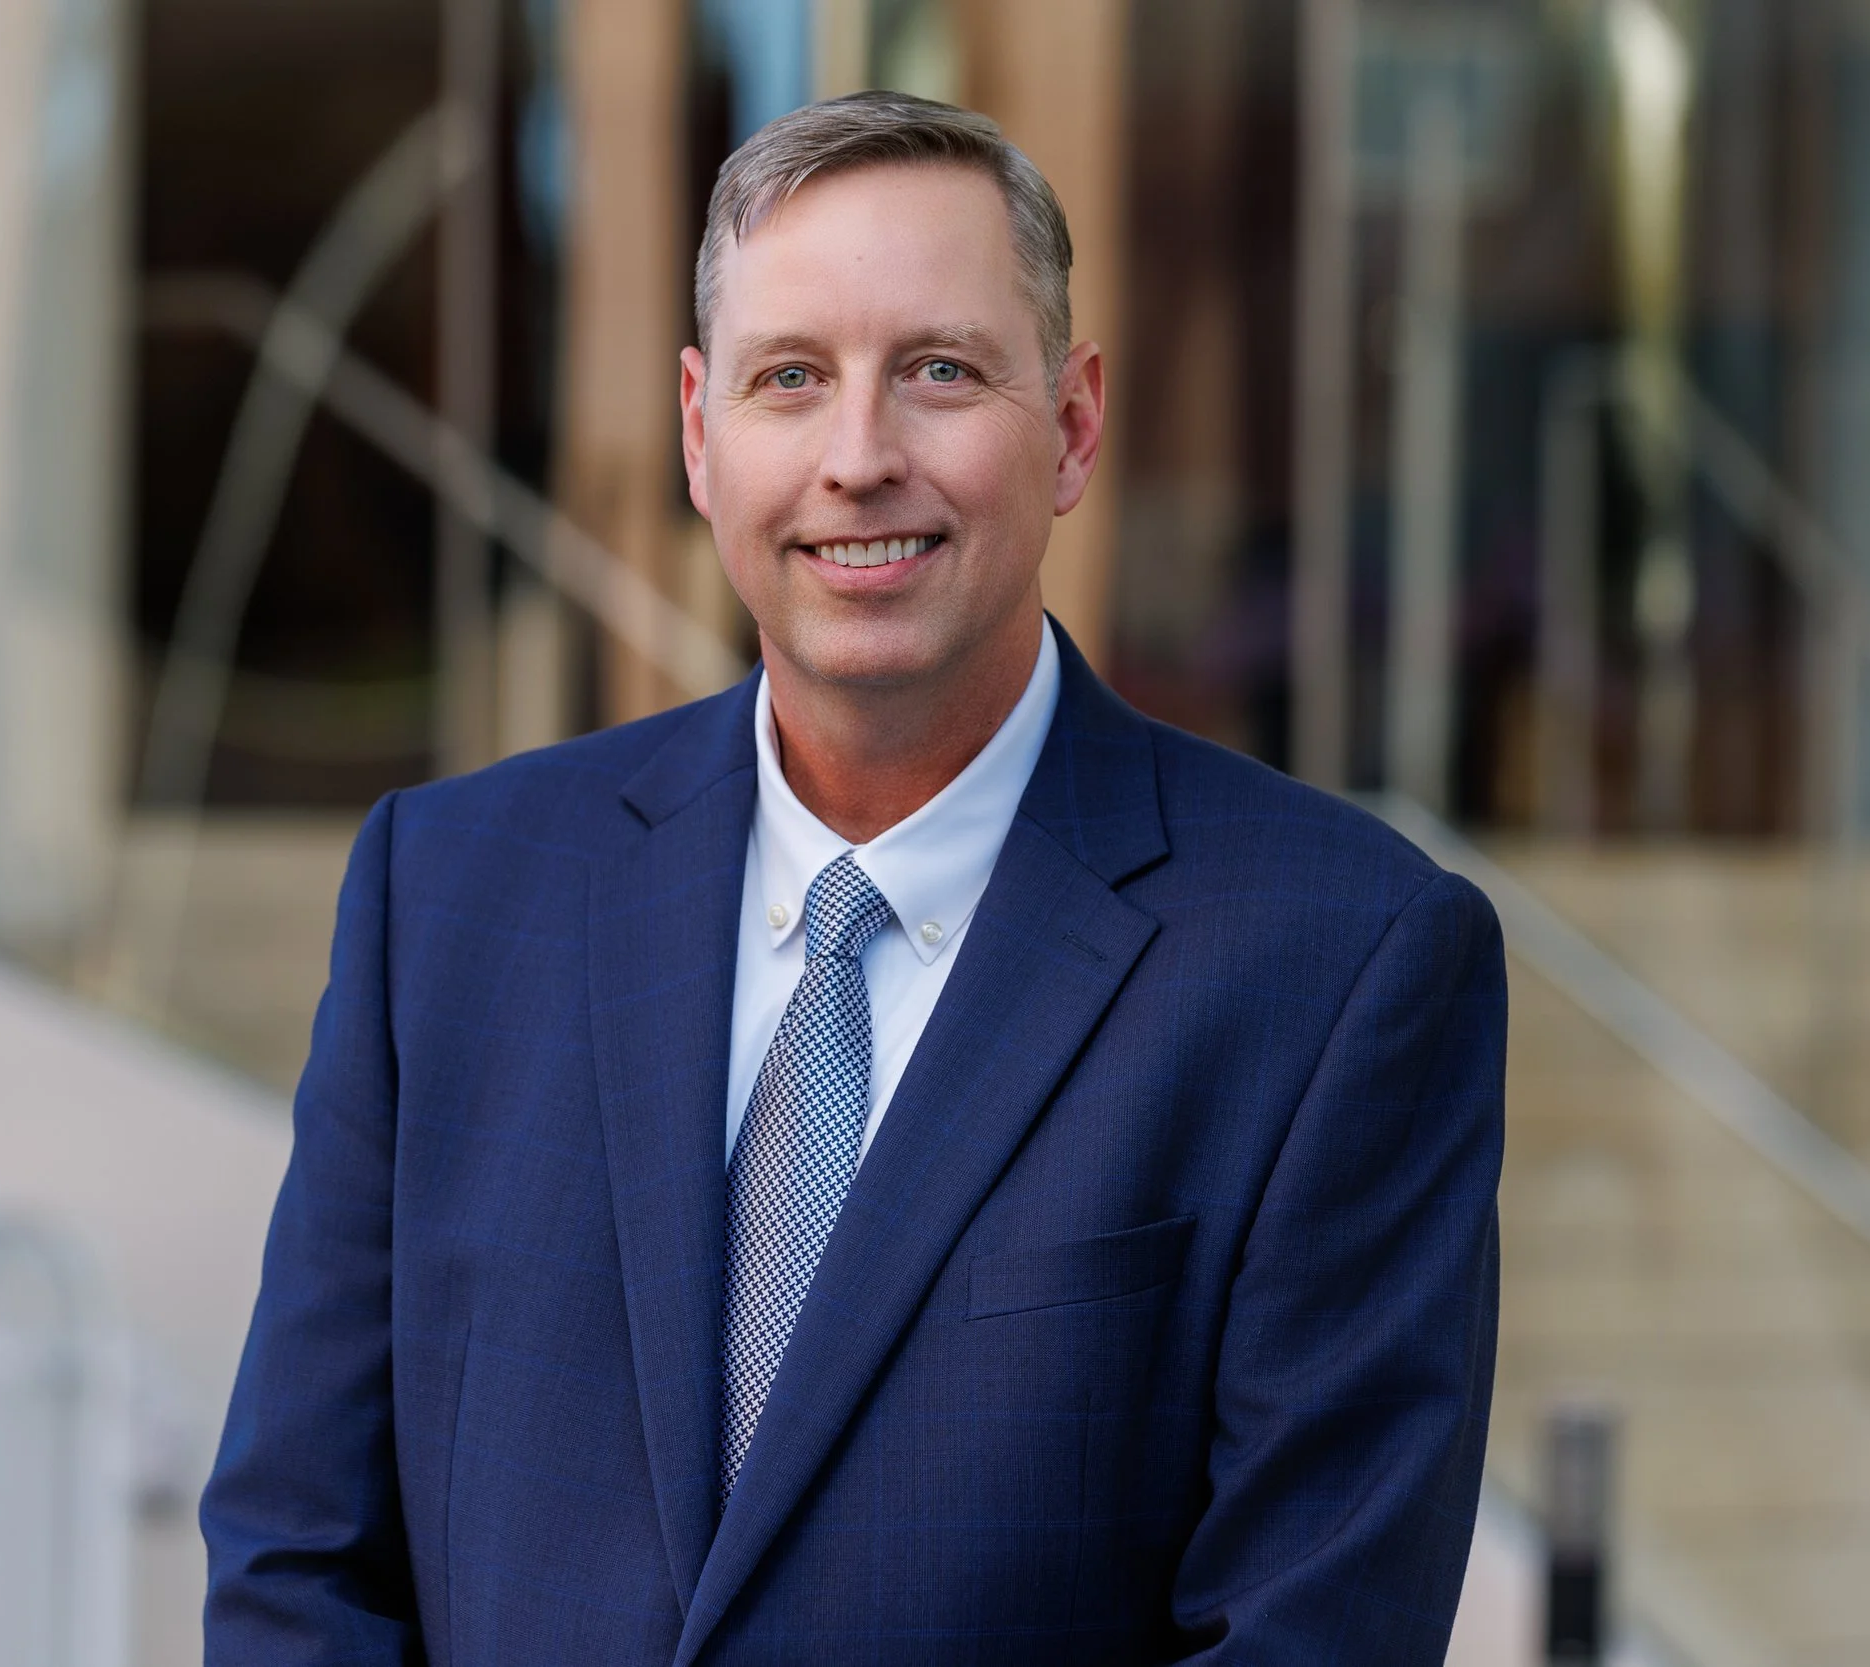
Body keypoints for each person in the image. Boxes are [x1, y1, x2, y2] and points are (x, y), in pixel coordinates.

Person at [201, 90, 1505, 1665]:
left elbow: (1303, 1637)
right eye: (792, 378)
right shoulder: (448, 899)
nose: (859, 457)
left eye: (940, 370)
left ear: (1074, 423)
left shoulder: (1342, 964)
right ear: (700, 433)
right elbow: (298, 1561)